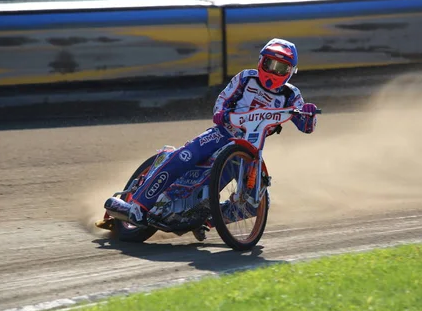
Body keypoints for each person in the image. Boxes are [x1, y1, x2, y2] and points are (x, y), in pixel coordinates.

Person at [104, 38, 318, 227]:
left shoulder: (292, 94)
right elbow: (223, 99)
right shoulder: (245, 78)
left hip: (251, 146)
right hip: (223, 132)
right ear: (260, 62)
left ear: (290, 72)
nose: (272, 71)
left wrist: (308, 114)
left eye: (280, 68)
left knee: (255, 203)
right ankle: (139, 206)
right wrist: (221, 113)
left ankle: (205, 217)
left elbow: (306, 126)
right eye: (269, 64)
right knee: (185, 155)